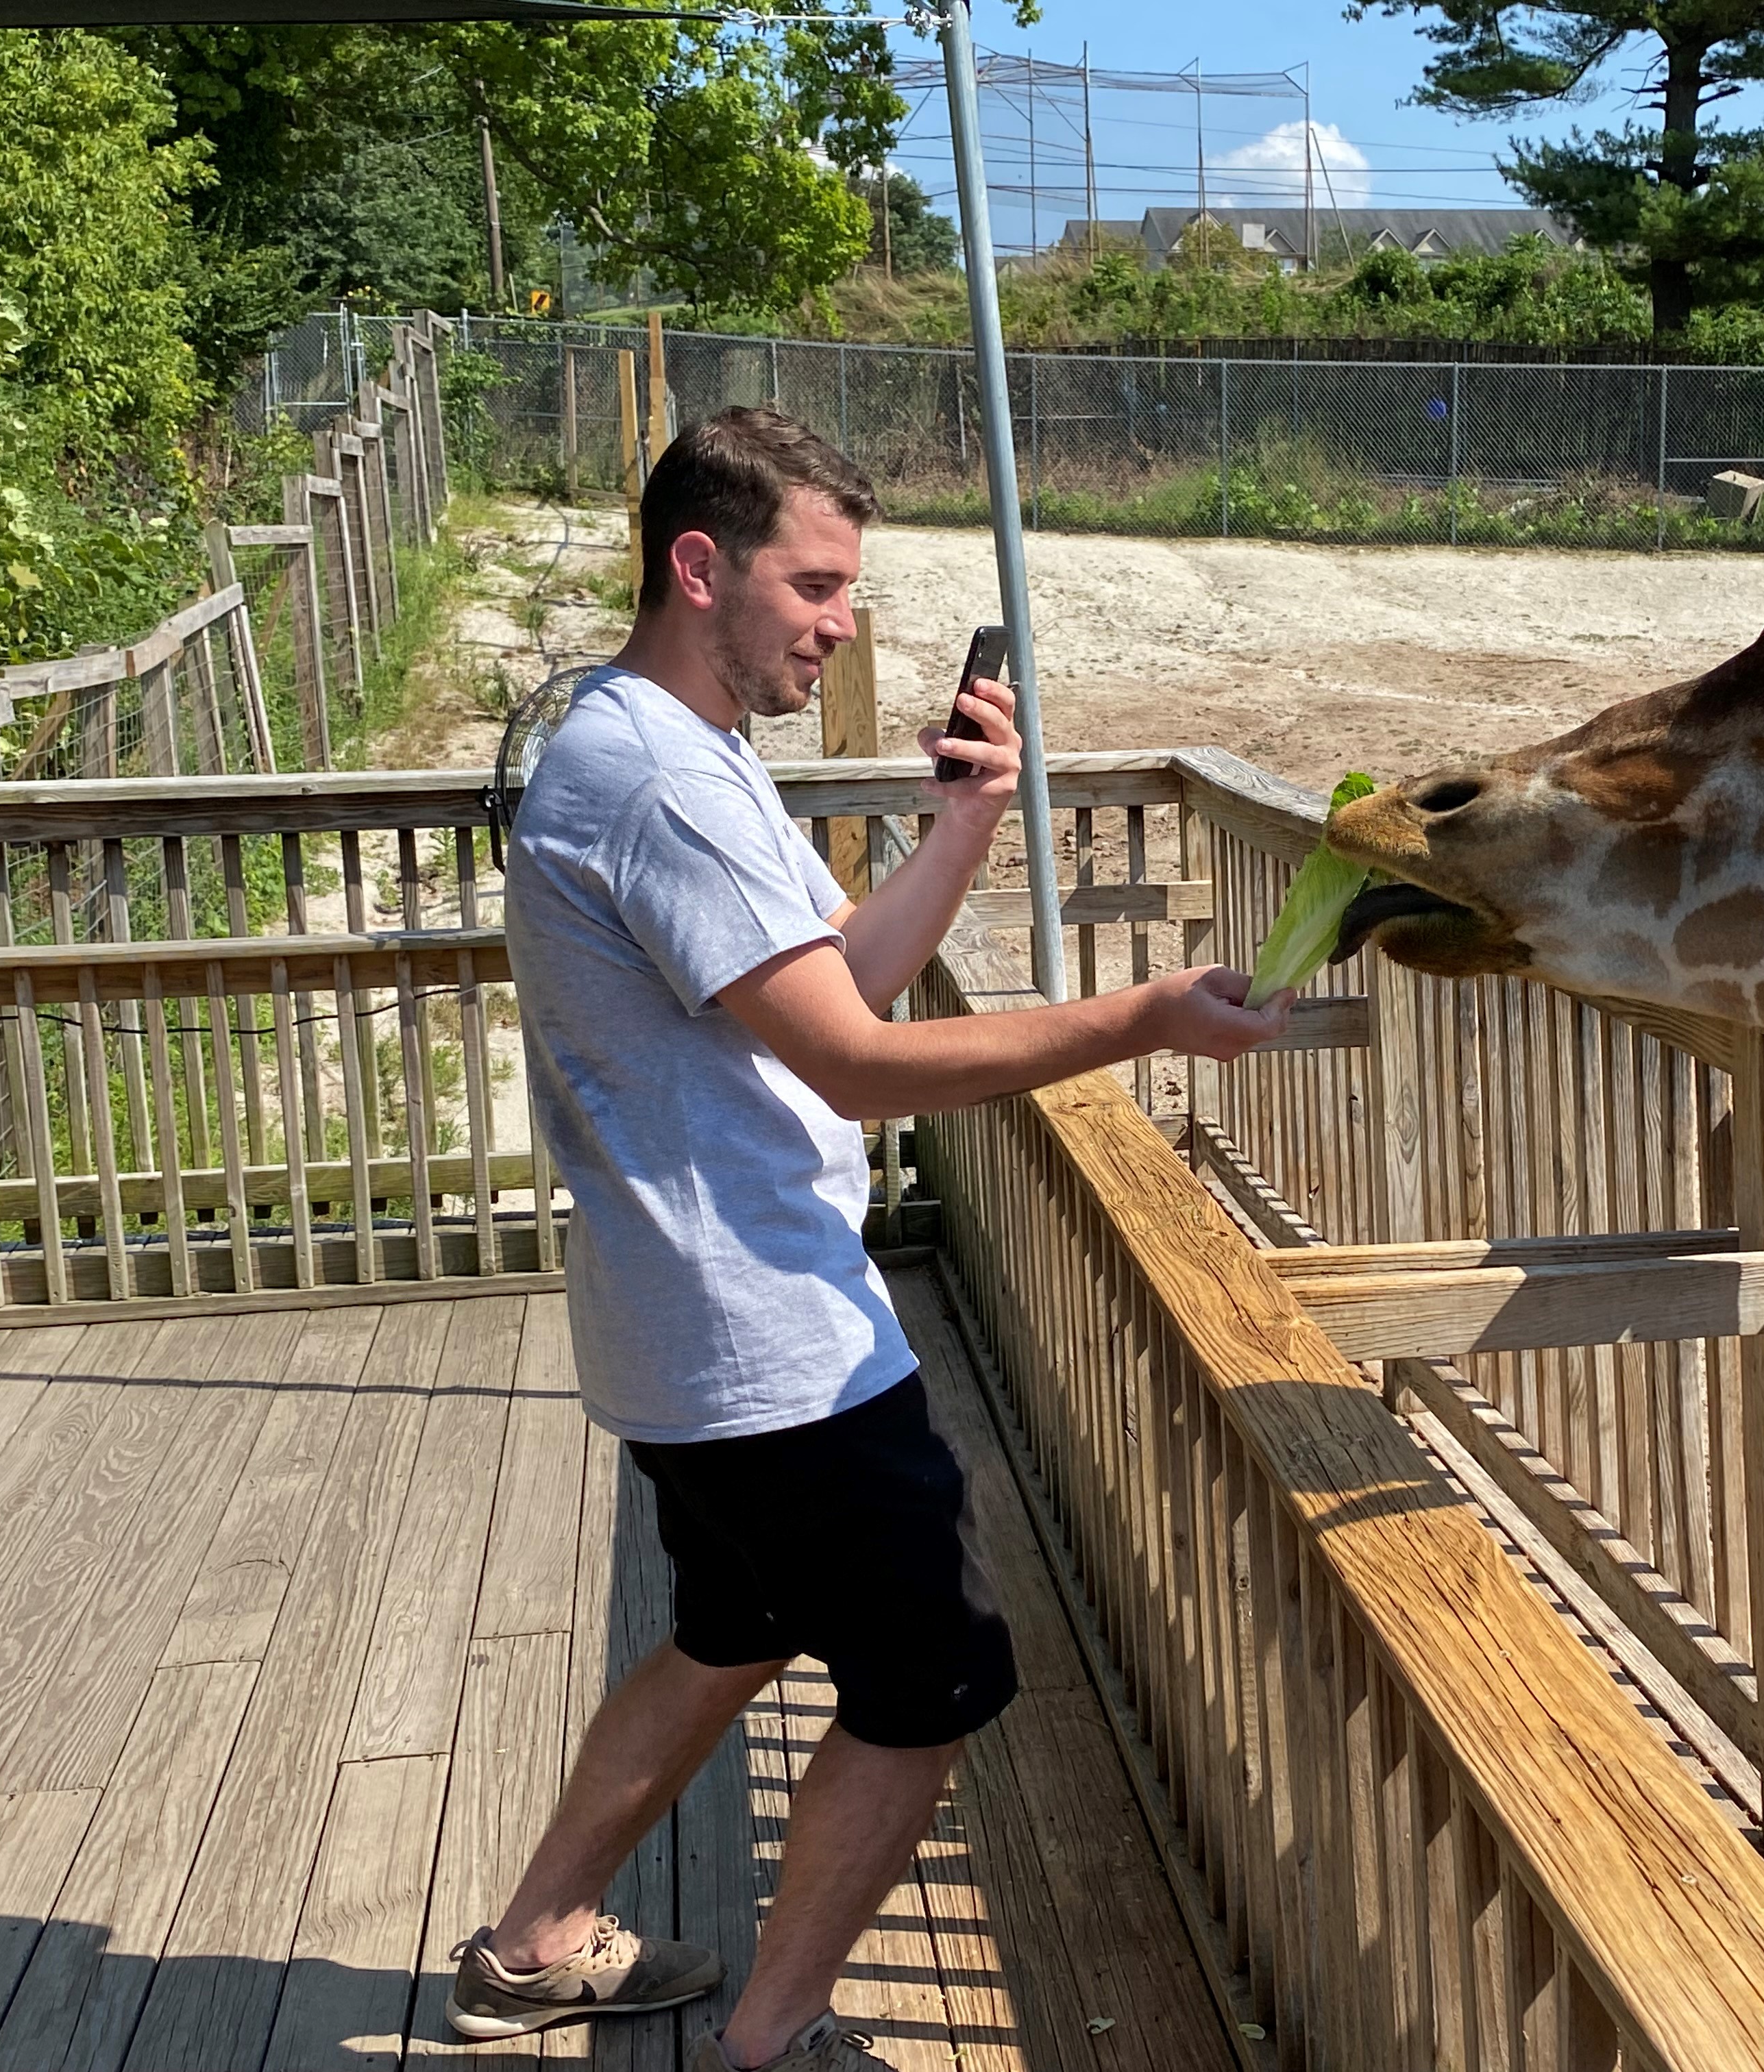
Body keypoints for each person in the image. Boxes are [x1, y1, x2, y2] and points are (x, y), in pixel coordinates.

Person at [448, 407, 1293, 2072]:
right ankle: (774, 2045)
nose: (842, 623)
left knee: (732, 1630)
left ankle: (535, 1947)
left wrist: (966, 821)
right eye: (816, 585)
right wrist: (1141, 1016)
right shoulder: (658, 783)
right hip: (764, 1342)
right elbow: (855, 1060)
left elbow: (844, 974)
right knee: (937, 1683)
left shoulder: (675, 750)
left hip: (691, 1326)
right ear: (701, 567)